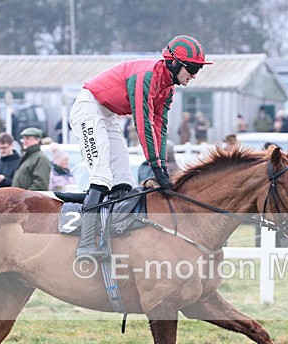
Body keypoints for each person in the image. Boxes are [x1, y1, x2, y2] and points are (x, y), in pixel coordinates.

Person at [68, 34, 211, 259]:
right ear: (174, 63)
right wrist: (154, 166)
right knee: (102, 175)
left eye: (198, 69)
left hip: (108, 114)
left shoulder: (168, 88)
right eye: (192, 68)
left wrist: (162, 167)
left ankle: (113, 238)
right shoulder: (147, 76)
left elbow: (160, 127)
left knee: (124, 178)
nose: (194, 75)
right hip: (89, 108)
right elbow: (143, 123)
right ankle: (86, 244)